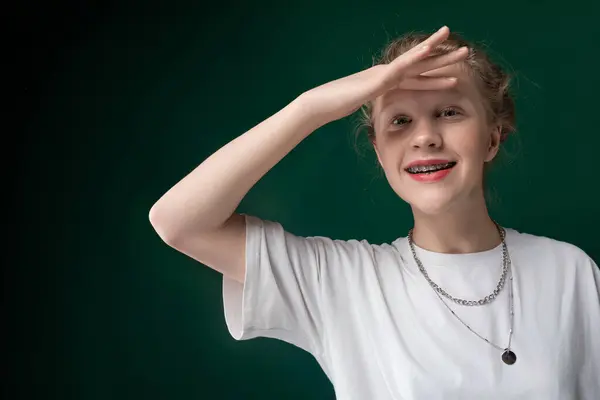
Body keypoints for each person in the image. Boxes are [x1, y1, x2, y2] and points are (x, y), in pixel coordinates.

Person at [148, 26, 600, 399]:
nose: (424, 137)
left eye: (449, 112)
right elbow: (177, 222)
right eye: (400, 121)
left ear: (492, 138)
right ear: (380, 152)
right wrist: (311, 108)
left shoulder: (570, 271)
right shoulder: (343, 281)